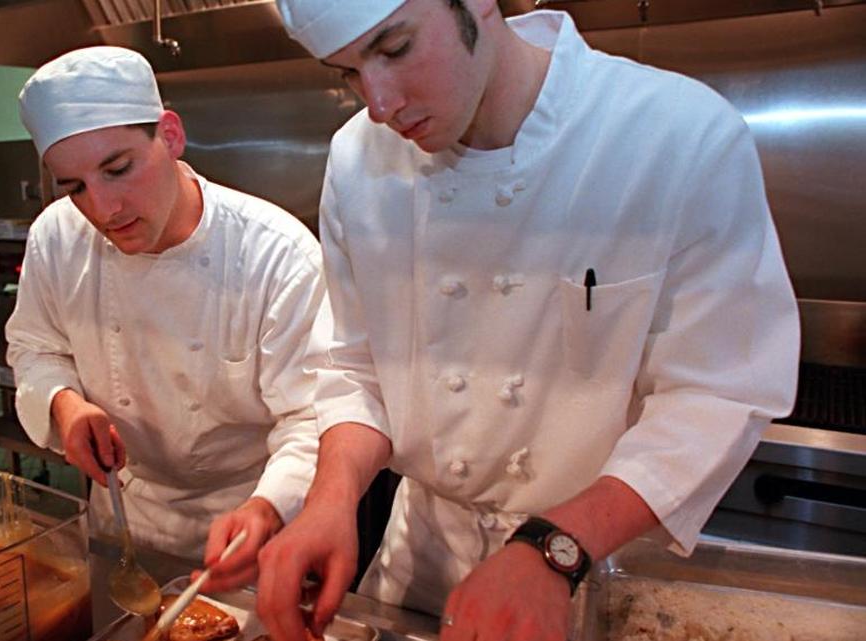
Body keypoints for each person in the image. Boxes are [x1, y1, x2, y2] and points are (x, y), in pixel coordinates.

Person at [255, 2, 800, 640]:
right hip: (421, 564)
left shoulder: (677, 136)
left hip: (592, 565)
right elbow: (358, 366)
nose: (377, 103)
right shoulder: (357, 160)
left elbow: (717, 391)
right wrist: (332, 496)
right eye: (347, 70)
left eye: (395, 48)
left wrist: (554, 548)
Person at [7, 46, 328, 591]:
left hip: (253, 525)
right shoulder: (57, 237)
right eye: (76, 186)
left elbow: (310, 418)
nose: (105, 209)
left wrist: (269, 508)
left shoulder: (276, 254)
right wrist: (65, 406)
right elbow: (35, 348)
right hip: (124, 517)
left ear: (171, 135)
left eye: (118, 168)